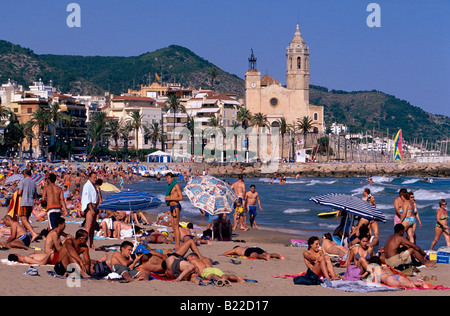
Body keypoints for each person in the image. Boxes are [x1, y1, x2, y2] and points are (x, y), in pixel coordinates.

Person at [365, 256, 432, 289]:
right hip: (396, 276)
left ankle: (419, 284)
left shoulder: (375, 269)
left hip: (389, 278)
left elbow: (376, 283)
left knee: (402, 285)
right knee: (409, 283)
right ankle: (420, 283)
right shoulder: (385, 267)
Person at [17, 169, 38, 242]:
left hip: (24, 202)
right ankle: (25, 235)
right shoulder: (33, 182)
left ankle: (33, 233)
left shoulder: (22, 181)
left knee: (23, 219)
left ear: (24, 174)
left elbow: (19, 192)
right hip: (30, 202)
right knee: (26, 220)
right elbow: (35, 194)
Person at [164, 172, 183, 249]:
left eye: (168, 178)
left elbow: (181, 197)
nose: (167, 180)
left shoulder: (176, 185)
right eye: (166, 179)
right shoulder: (170, 186)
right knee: (173, 226)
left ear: (172, 178)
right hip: (171, 207)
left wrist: (170, 198)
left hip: (175, 206)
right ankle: (176, 243)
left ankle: (177, 245)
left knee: (176, 226)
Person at [81, 172, 98, 249]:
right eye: (94, 177)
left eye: (96, 177)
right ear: (89, 177)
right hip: (89, 207)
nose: (95, 179)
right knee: (88, 226)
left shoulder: (93, 185)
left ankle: (91, 243)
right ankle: (86, 243)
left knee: (93, 227)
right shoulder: (87, 185)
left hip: (94, 206)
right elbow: (87, 198)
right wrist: (91, 209)